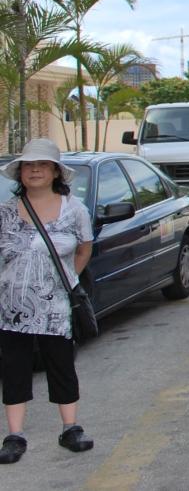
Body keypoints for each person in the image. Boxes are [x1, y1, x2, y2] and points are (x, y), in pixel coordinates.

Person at [0, 139, 95, 465]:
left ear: (56, 172)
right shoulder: (5, 212)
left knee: (61, 365)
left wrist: (67, 279)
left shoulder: (74, 210)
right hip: (11, 307)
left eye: (42, 165)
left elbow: (84, 249)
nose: (35, 170)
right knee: (14, 368)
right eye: (29, 165)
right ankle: (14, 436)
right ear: (20, 173)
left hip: (56, 308)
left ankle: (71, 428)